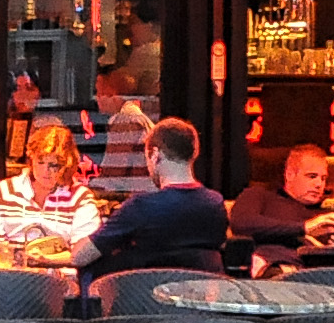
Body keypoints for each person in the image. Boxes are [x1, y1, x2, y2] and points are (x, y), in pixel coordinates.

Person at [71, 117, 227, 283]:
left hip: (147, 297)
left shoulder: (141, 206)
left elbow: (80, 257)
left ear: (155, 155)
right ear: (195, 153)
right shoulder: (215, 204)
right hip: (202, 296)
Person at [0, 123, 101, 272]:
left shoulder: (80, 197)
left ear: (67, 165)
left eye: (54, 165)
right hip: (11, 273)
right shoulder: (5, 190)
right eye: (40, 162)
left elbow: (84, 253)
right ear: (31, 159)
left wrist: (46, 260)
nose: (45, 170)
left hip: (58, 275)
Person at [230, 143, 334, 273]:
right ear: (290, 175)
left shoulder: (326, 216)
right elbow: (241, 223)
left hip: (317, 274)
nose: (319, 184)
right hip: (275, 268)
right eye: (312, 176)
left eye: (323, 179)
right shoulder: (261, 196)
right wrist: (303, 228)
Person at [91, 68, 155, 195]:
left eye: (99, 92)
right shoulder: (134, 117)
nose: (97, 98)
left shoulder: (126, 120)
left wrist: (86, 190)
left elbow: (114, 174)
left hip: (141, 195)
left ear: (112, 93)